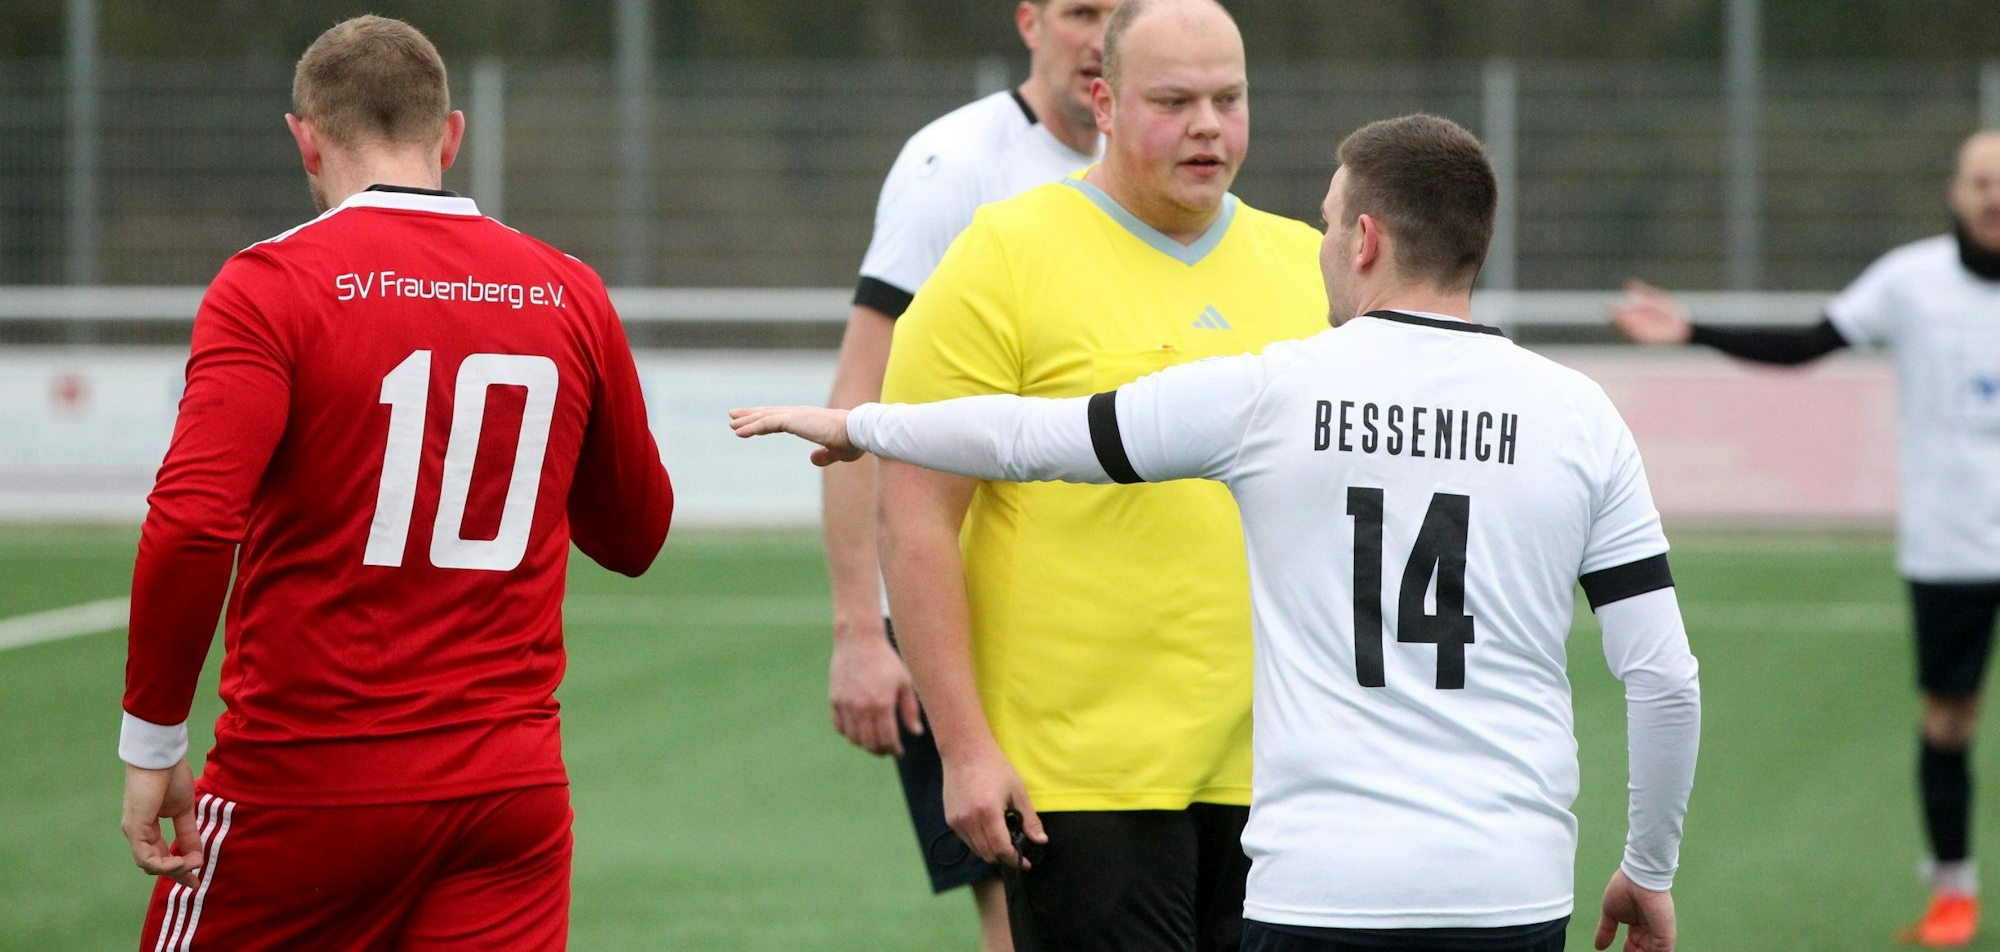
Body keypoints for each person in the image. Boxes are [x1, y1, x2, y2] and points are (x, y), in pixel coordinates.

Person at [734, 112, 1701, 952]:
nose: (1320, 245)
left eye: (1328, 222)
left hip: (1320, 885)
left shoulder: (1272, 392)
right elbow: (1663, 675)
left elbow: (1031, 436)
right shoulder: (1580, 415)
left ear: (1365, 240)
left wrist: (863, 424)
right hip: (1512, 884)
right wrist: (1647, 867)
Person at [118, 14, 674, 950]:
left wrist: (152, 740)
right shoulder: (568, 289)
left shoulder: (270, 285)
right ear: (451, 135)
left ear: (304, 140)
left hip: (307, 782)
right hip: (508, 796)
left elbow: (193, 523)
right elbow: (636, 534)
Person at [872, 0, 1329, 952]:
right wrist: (963, 748)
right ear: (1104, 102)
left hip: (1286, 776)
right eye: (1173, 101)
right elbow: (914, 516)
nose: (1207, 125)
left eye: (1228, 98)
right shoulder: (1003, 256)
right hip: (1077, 781)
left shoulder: (1313, 269)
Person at [823, 0, 1151, 946]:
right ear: (1029, 23)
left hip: (1111, 611)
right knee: (1017, 906)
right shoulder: (953, 165)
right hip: (966, 613)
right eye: (1080, 12)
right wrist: (860, 629)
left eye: (1121, 16)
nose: (1098, 37)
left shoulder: (1159, 173)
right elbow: (862, 396)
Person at [1610, 128, 2000, 948]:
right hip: (1953, 548)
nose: (1995, 195)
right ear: (1956, 193)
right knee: (1950, 722)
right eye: (1981, 181)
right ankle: (1954, 893)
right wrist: (1695, 330)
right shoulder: (1910, 280)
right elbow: (1809, 342)